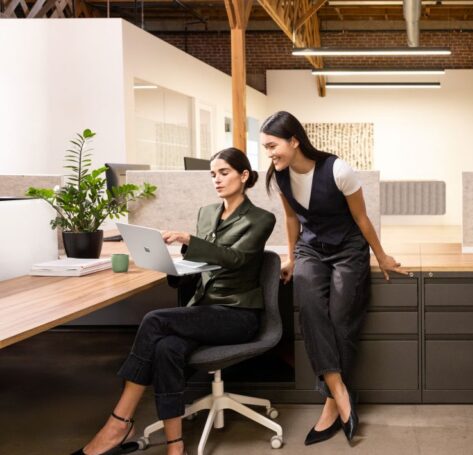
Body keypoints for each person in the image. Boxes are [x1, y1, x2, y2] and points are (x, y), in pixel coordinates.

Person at [73, 148, 275, 455]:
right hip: (204, 310)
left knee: (155, 320)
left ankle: (118, 422)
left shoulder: (262, 218)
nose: (217, 180)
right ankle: (175, 446)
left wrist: (188, 241)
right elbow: (205, 263)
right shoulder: (207, 212)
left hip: (238, 314)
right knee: (167, 348)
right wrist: (172, 265)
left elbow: (235, 259)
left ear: (244, 176)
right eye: (212, 174)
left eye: (224, 173)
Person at [261, 111, 404, 445]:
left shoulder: (337, 170)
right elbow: (292, 219)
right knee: (310, 308)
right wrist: (292, 257)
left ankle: (329, 403)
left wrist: (381, 255)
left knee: (341, 318)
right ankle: (339, 391)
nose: (269, 154)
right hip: (311, 249)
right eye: (265, 148)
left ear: (294, 140)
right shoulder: (279, 175)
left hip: (347, 248)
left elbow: (361, 218)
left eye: (272, 146)